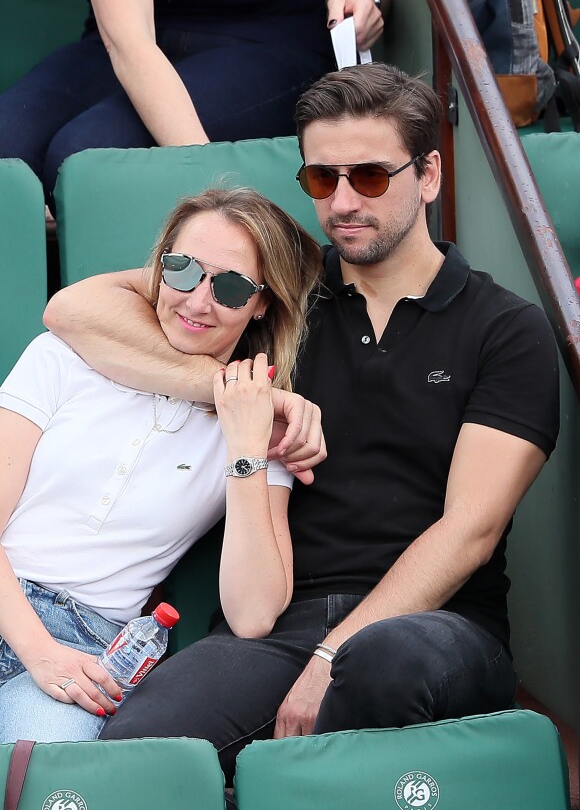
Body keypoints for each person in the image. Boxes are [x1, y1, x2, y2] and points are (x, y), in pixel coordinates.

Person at [44, 63, 559, 782]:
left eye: (371, 177)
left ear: (430, 174)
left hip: (439, 628)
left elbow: (469, 530)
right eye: (322, 179)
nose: (343, 202)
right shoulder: (277, 296)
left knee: (385, 661)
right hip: (273, 622)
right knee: (140, 745)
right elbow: (73, 311)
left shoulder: (505, 328)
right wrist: (236, 390)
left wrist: (333, 655)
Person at [0, 187, 324, 743]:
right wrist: (37, 651)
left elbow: (253, 615)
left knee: (45, 783)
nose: (198, 302)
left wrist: (244, 449)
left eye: (230, 287)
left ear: (263, 302)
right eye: (180, 270)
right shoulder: (63, 355)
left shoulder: (260, 429)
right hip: (13, 599)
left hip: (87, 640)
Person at [0, 0, 388, 207]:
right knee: (8, 144)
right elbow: (129, 41)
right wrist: (209, 178)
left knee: (87, 154)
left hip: (271, 47)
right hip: (136, 40)